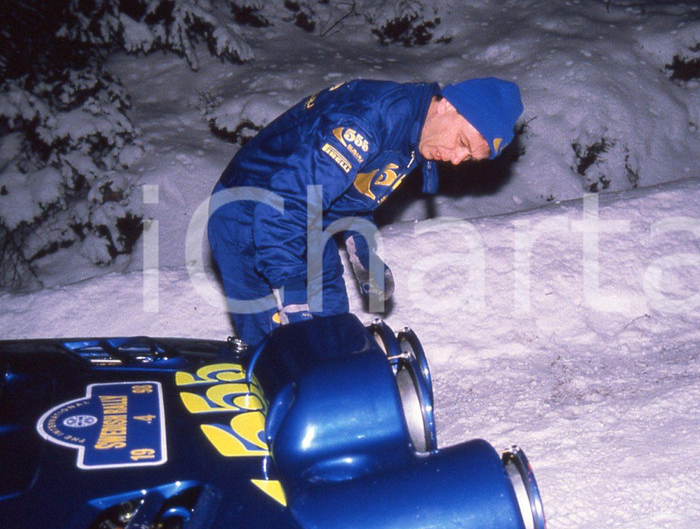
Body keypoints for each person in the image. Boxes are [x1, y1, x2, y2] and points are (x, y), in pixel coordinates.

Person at [207, 77, 523, 349]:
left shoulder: (417, 131)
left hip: (307, 218)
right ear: (447, 105)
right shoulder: (371, 120)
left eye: (468, 157)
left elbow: (348, 192)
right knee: (279, 350)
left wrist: (362, 247)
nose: (456, 159)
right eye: (462, 142)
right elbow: (286, 201)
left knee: (332, 329)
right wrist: (290, 293)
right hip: (249, 211)